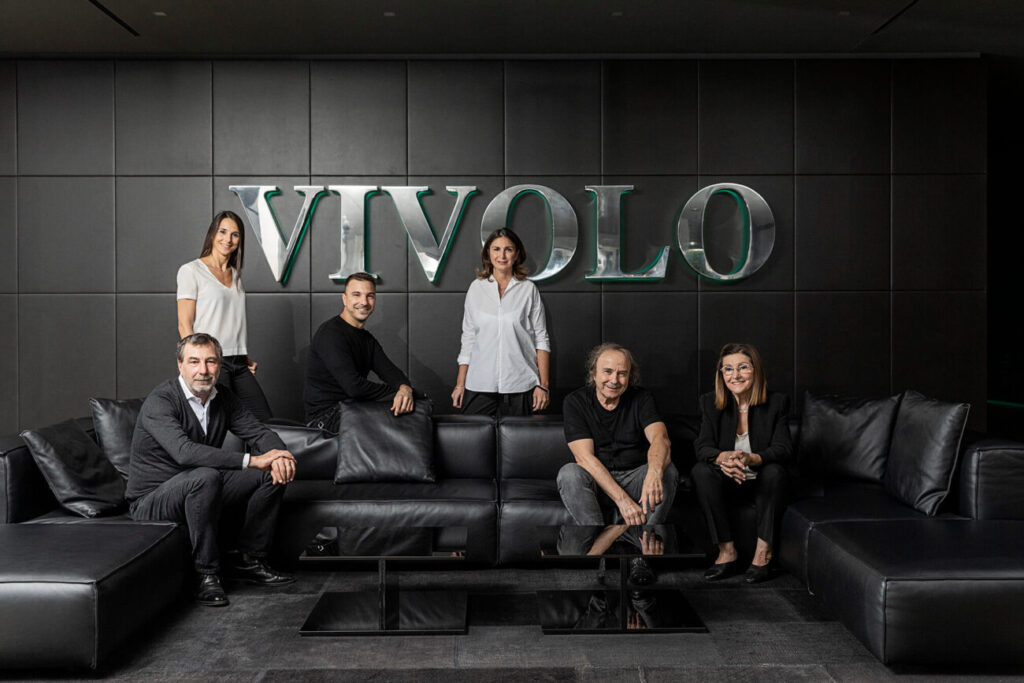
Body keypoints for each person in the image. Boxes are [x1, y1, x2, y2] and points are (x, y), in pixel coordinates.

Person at [127, 333, 297, 607]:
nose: (203, 370)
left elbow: (259, 432)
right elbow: (185, 453)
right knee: (206, 476)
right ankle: (206, 575)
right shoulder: (161, 401)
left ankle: (250, 559)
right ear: (180, 365)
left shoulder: (223, 397)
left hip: (203, 485)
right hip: (152, 500)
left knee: (270, 475)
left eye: (211, 361)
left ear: (220, 365)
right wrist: (252, 460)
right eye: (194, 361)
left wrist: (279, 456)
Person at [556, 343, 679, 585]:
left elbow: (660, 439)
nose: (614, 380)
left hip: (635, 476)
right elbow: (585, 459)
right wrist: (623, 502)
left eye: (622, 373)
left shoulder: (642, 398)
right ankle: (602, 545)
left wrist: (654, 472)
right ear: (593, 374)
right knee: (569, 473)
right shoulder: (575, 401)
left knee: (668, 471)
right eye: (607, 372)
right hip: (597, 482)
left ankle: (641, 557)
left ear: (629, 377)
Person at [691, 342, 792, 583]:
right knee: (700, 471)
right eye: (728, 369)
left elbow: (784, 448)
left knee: (775, 472)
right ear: (721, 374)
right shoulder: (709, 403)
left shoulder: (777, 403)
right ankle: (727, 552)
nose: (735, 375)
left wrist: (752, 458)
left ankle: (763, 553)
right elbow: (702, 446)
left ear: (756, 370)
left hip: (762, 482)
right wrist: (725, 459)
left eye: (743, 367)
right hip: (727, 480)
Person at [177, 210, 272, 421]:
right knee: (220, 425)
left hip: (238, 362)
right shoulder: (191, 271)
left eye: (235, 234)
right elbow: (184, 325)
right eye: (222, 232)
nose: (228, 239)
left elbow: (231, 319)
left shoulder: (236, 275)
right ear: (213, 234)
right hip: (211, 361)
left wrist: (243, 355)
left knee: (263, 421)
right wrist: (196, 362)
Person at [451, 228, 551, 417]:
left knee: (521, 437)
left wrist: (543, 385)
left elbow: (541, 339)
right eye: (496, 249)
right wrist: (460, 384)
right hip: (479, 384)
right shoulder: (476, 288)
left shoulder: (528, 290)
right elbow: (469, 339)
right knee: (473, 436)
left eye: (508, 249)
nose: (502, 255)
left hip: (521, 385)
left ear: (517, 254)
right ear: (488, 254)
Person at [304, 272, 415, 434]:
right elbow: (354, 387)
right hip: (325, 418)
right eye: (356, 295)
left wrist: (405, 389)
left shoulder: (367, 339)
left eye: (370, 296)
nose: (364, 302)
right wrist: (399, 393)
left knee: (408, 409)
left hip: (352, 410)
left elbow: (392, 373)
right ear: (344, 299)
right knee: (401, 414)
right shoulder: (330, 333)